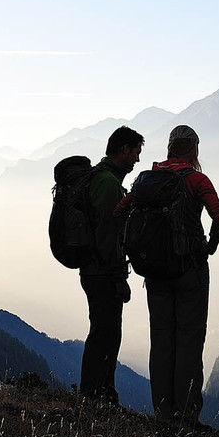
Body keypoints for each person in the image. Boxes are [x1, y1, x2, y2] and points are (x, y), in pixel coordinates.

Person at [116, 125, 219, 425]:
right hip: (190, 269)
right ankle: (186, 414)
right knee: (189, 341)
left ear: (169, 147)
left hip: (154, 271)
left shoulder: (146, 180)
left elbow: (120, 211)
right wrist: (210, 247)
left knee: (161, 339)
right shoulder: (196, 179)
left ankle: (162, 412)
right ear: (193, 148)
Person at [78, 126, 143, 404]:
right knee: (105, 332)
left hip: (95, 269)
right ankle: (95, 394)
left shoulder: (103, 178)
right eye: (135, 153)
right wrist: (118, 275)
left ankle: (101, 391)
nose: (137, 160)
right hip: (102, 271)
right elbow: (108, 233)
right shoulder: (106, 183)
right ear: (125, 150)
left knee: (105, 331)